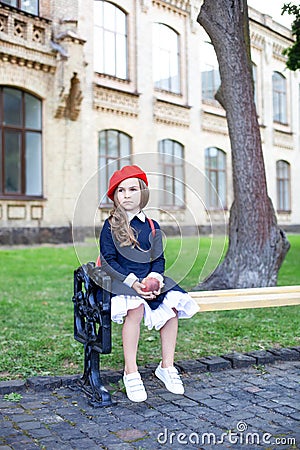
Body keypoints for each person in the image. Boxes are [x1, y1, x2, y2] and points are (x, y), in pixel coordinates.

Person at [99, 165, 199, 402]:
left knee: (172, 310)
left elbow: (159, 259)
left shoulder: (153, 226)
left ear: (143, 193)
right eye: (121, 191)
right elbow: (108, 262)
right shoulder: (111, 225)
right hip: (123, 279)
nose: (127, 195)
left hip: (149, 278)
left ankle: (166, 366)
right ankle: (131, 372)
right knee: (134, 310)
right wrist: (134, 283)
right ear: (114, 197)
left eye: (132, 189)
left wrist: (155, 278)